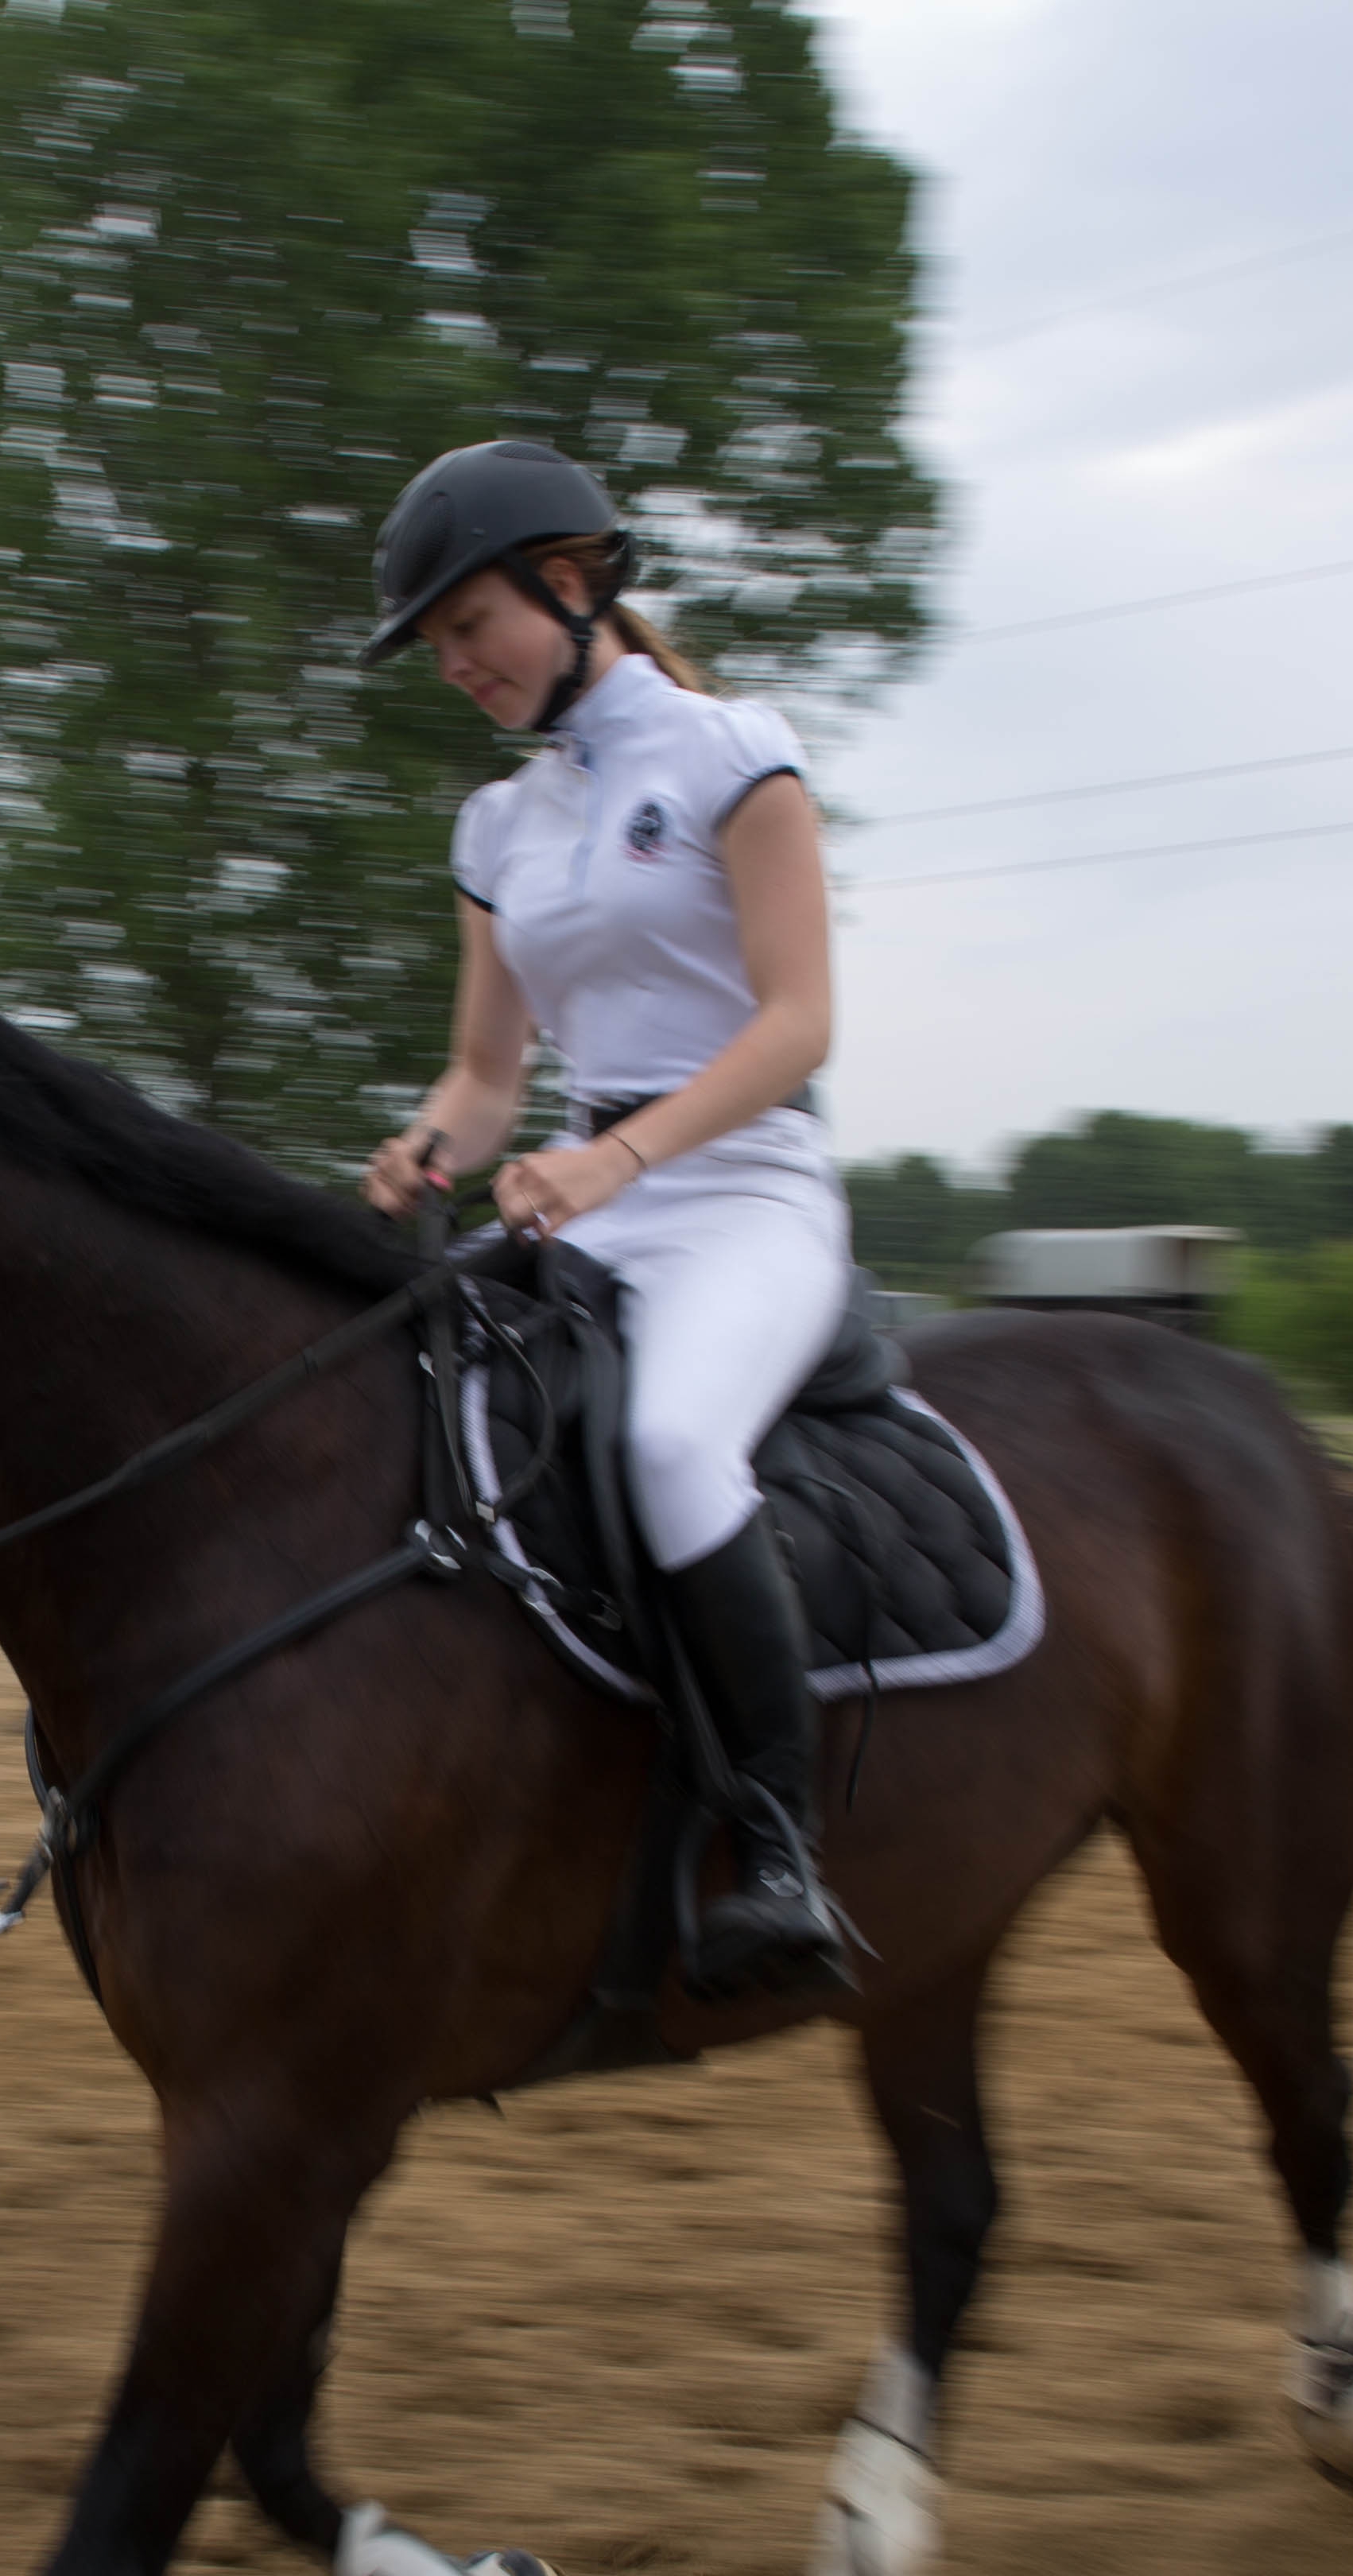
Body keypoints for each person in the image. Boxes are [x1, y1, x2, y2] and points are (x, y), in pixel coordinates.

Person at [353, 435, 852, 2000]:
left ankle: (779, 1844)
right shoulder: (500, 828)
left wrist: (622, 1160)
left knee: (669, 1446)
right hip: (580, 1194)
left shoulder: (731, 754)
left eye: (470, 627)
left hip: (746, 1191)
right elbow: (488, 1076)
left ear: (570, 585)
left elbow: (798, 1025)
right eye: (437, 647)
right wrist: (424, 1146)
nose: (457, 667)